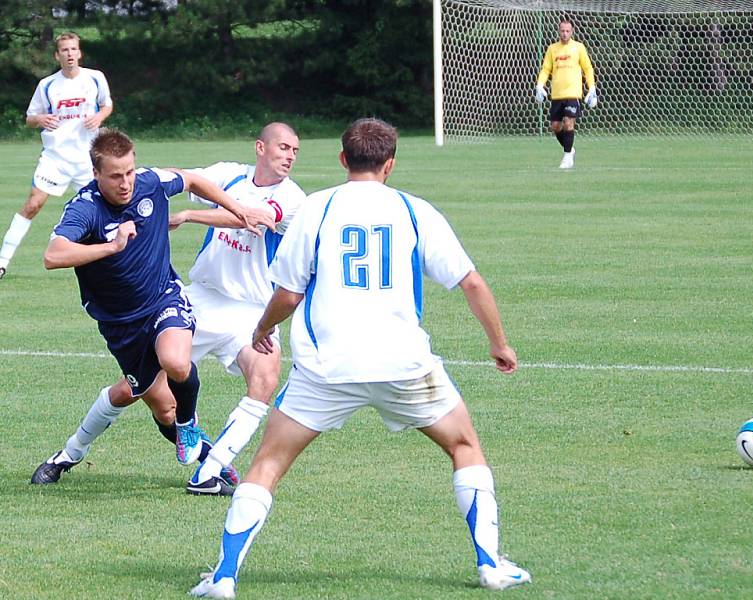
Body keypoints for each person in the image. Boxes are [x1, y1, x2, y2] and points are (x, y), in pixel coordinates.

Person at [190, 118, 531, 599]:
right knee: (464, 447)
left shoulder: (316, 208)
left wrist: (262, 329)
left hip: (326, 369)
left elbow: (288, 294)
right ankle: (491, 565)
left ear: (343, 159)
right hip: (405, 365)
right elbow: (470, 282)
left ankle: (224, 578)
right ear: (390, 164)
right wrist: (499, 343)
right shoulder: (415, 210)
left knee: (267, 463)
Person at [31, 123, 306, 497]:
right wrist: (113, 245)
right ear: (261, 147)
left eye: (294, 150)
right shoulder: (228, 173)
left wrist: (201, 214)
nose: (289, 156)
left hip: (246, 308)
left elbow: (259, 216)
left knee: (262, 378)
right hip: (199, 297)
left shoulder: (293, 198)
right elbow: (190, 179)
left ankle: (210, 469)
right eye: (283, 148)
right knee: (145, 397)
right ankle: (71, 452)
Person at [0, 32, 113, 279]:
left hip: (87, 159)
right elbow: (30, 118)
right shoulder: (47, 85)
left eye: (74, 49)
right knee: (33, 204)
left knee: (101, 209)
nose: (70, 54)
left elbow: (107, 104)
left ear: (79, 53)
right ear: (57, 55)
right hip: (56, 158)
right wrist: (40, 119)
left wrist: (100, 116)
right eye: (65, 50)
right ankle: (2, 262)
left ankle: (112, 261)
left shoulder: (95, 78)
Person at [535, 17, 597, 169]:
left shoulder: (579, 48)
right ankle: (570, 149)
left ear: (572, 31)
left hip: (573, 93)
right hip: (557, 94)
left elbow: (588, 68)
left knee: (568, 122)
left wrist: (592, 88)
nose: (564, 33)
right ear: (558, 31)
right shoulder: (552, 49)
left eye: (567, 31)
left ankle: (567, 156)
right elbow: (546, 69)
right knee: (556, 126)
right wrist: (540, 85)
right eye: (562, 30)